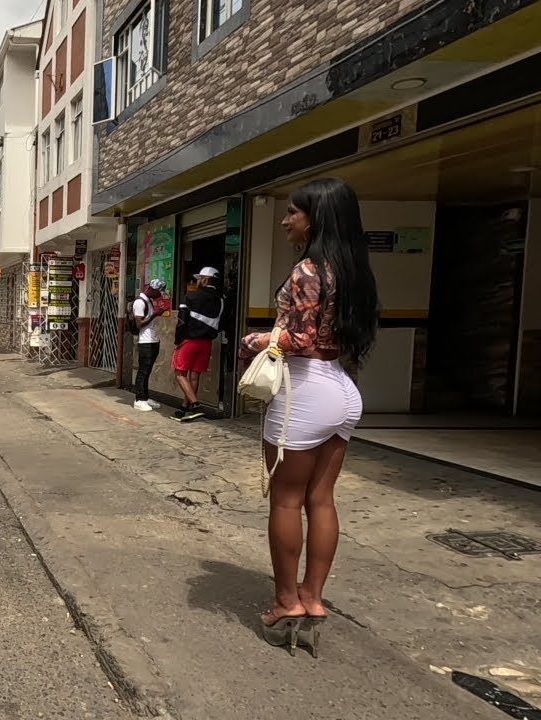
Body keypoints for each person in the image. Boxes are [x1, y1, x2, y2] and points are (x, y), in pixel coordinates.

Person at [240, 178, 378, 654]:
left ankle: (285, 603)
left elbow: (296, 341)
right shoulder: (353, 270)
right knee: (322, 499)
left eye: (293, 212)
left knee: (285, 499)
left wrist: (254, 340)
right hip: (342, 388)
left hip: (303, 391)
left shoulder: (306, 270)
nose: (285, 219)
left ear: (314, 218)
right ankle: (313, 599)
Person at [172, 267, 224, 421]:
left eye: (199, 278)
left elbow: (181, 322)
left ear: (205, 280)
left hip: (189, 341)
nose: (197, 281)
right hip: (207, 343)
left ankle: (195, 405)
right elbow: (220, 323)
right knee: (194, 376)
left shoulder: (191, 296)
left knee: (180, 374)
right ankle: (184, 408)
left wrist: (178, 341)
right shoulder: (221, 301)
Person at [131, 279, 168, 411]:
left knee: (148, 371)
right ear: (152, 289)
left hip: (153, 341)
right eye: (159, 292)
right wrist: (155, 315)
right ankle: (139, 399)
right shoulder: (140, 302)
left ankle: (145, 397)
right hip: (145, 342)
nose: (160, 295)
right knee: (143, 371)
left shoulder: (149, 301)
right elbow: (139, 324)